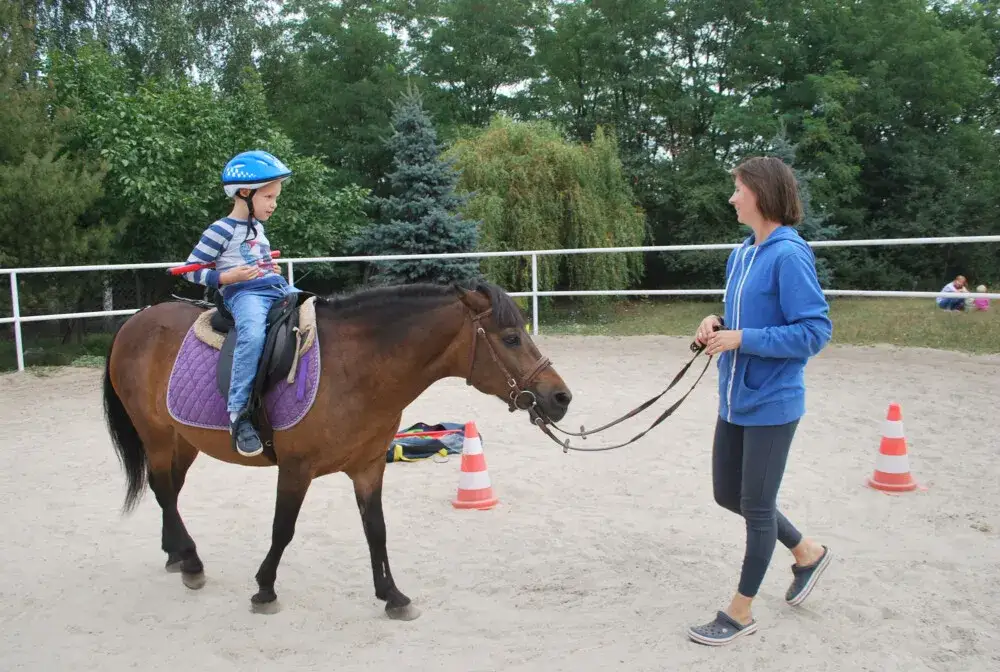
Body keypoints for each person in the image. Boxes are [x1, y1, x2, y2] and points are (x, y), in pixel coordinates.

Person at [687, 156, 834, 646]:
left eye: (738, 189)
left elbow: (814, 331)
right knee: (728, 495)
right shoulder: (743, 253)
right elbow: (740, 319)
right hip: (735, 399)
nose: (732, 197)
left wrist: (743, 339)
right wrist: (716, 324)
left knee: (755, 504)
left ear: (762, 194)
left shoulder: (790, 255)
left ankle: (740, 612)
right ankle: (806, 552)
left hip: (773, 401)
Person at [181, 150, 298, 458]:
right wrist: (227, 276)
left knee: (312, 309)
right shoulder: (221, 229)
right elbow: (191, 270)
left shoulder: (258, 228)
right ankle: (238, 413)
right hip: (243, 295)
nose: (274, 203)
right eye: (269, 196)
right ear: (245, 193)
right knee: (253, 335)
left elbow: (257, 261)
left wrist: (268, 269)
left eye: (276, 197)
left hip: (272, 286)